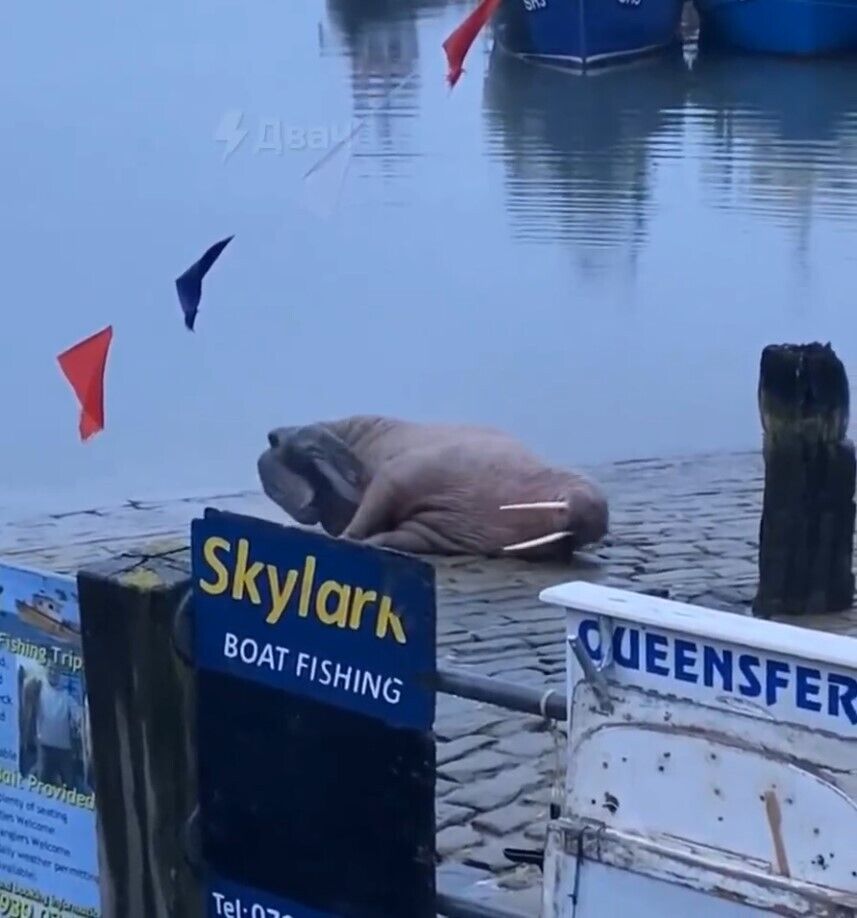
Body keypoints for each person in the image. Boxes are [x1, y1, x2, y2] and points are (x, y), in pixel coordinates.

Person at [33, 665, 80, 789]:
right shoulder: (39, 690)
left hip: (64, 750)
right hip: (45, 747)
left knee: (69, 787)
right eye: (50, 669)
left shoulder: (66, 696)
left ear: (60, 674)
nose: (53, 672)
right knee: (41, 785)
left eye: (56, 670)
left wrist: (78, 720)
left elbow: (78, 714)